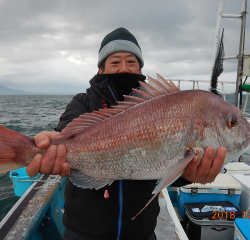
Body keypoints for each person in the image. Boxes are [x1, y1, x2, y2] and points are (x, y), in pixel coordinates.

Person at [26, 28, 226, 240]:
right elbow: (64, 133)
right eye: (115, 62)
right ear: (101, 69)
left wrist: (188, 175)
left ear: (140, 67)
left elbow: (166, 167)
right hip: (84, 232)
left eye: (131, 61)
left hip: (139, 232)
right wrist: (50, 147)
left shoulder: (162, 106)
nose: (124, 68)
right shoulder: (83, 103)